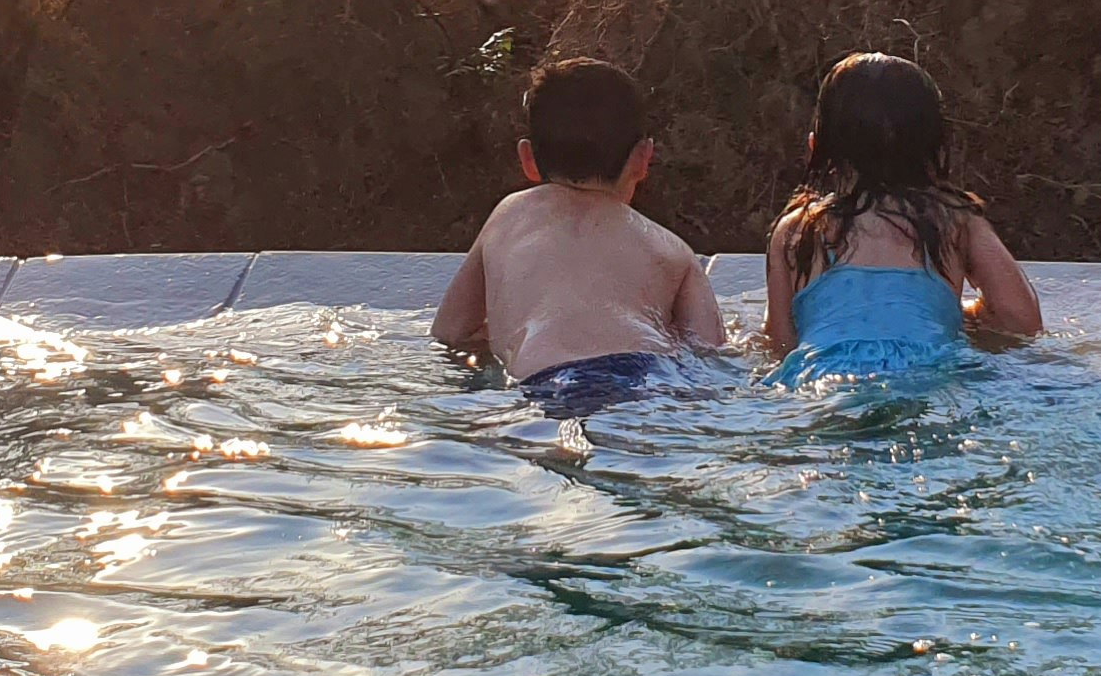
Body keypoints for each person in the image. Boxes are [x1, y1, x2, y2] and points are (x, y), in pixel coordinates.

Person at [432, 57, 729, 413]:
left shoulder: (509, 216)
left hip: (548, 377)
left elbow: (451, 332)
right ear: (643, 158)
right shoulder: (672, 249)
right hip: (654, 374)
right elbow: (709, 353)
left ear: (527, 159)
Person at [763, 52, 1043, 376]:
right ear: (937, 148)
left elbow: (779, 342)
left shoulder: (796, 230)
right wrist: (950, 313)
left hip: (824, 376)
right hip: (931, 371)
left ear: (816, 146)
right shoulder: (955, 221)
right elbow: (1020, 320)